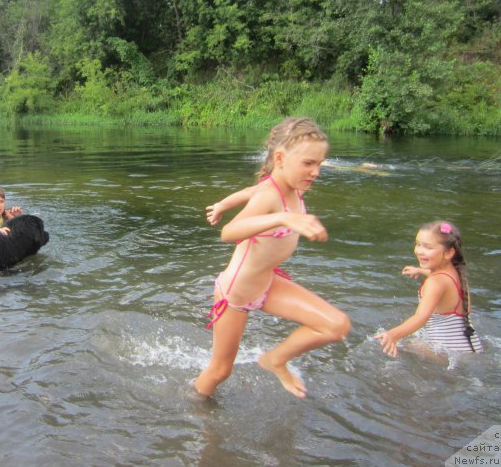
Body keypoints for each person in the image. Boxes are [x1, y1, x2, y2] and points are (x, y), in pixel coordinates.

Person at [195, 117, 351, 399]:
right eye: (308, 163)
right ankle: (195, 408)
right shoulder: (271, 196)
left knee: (336, 325)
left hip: (267, 283)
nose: (315, 171)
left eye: (320, 163)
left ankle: (275, 359)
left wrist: (223, 203)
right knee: (220, 371)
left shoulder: (294, 186)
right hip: (237, 293)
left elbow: (249, 191)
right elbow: (229, 233)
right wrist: (282, 217)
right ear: (280, 158)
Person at [375, 221, 483, 357]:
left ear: (449, 253)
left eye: (428, 247)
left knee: (398, 346)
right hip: (470, 346)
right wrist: (420, 270)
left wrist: (393, 335)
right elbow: (441, 280)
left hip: (447, 353)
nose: (419, 251)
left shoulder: (435, 283)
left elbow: (421, 318)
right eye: (418, 244)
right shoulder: (456, 273)